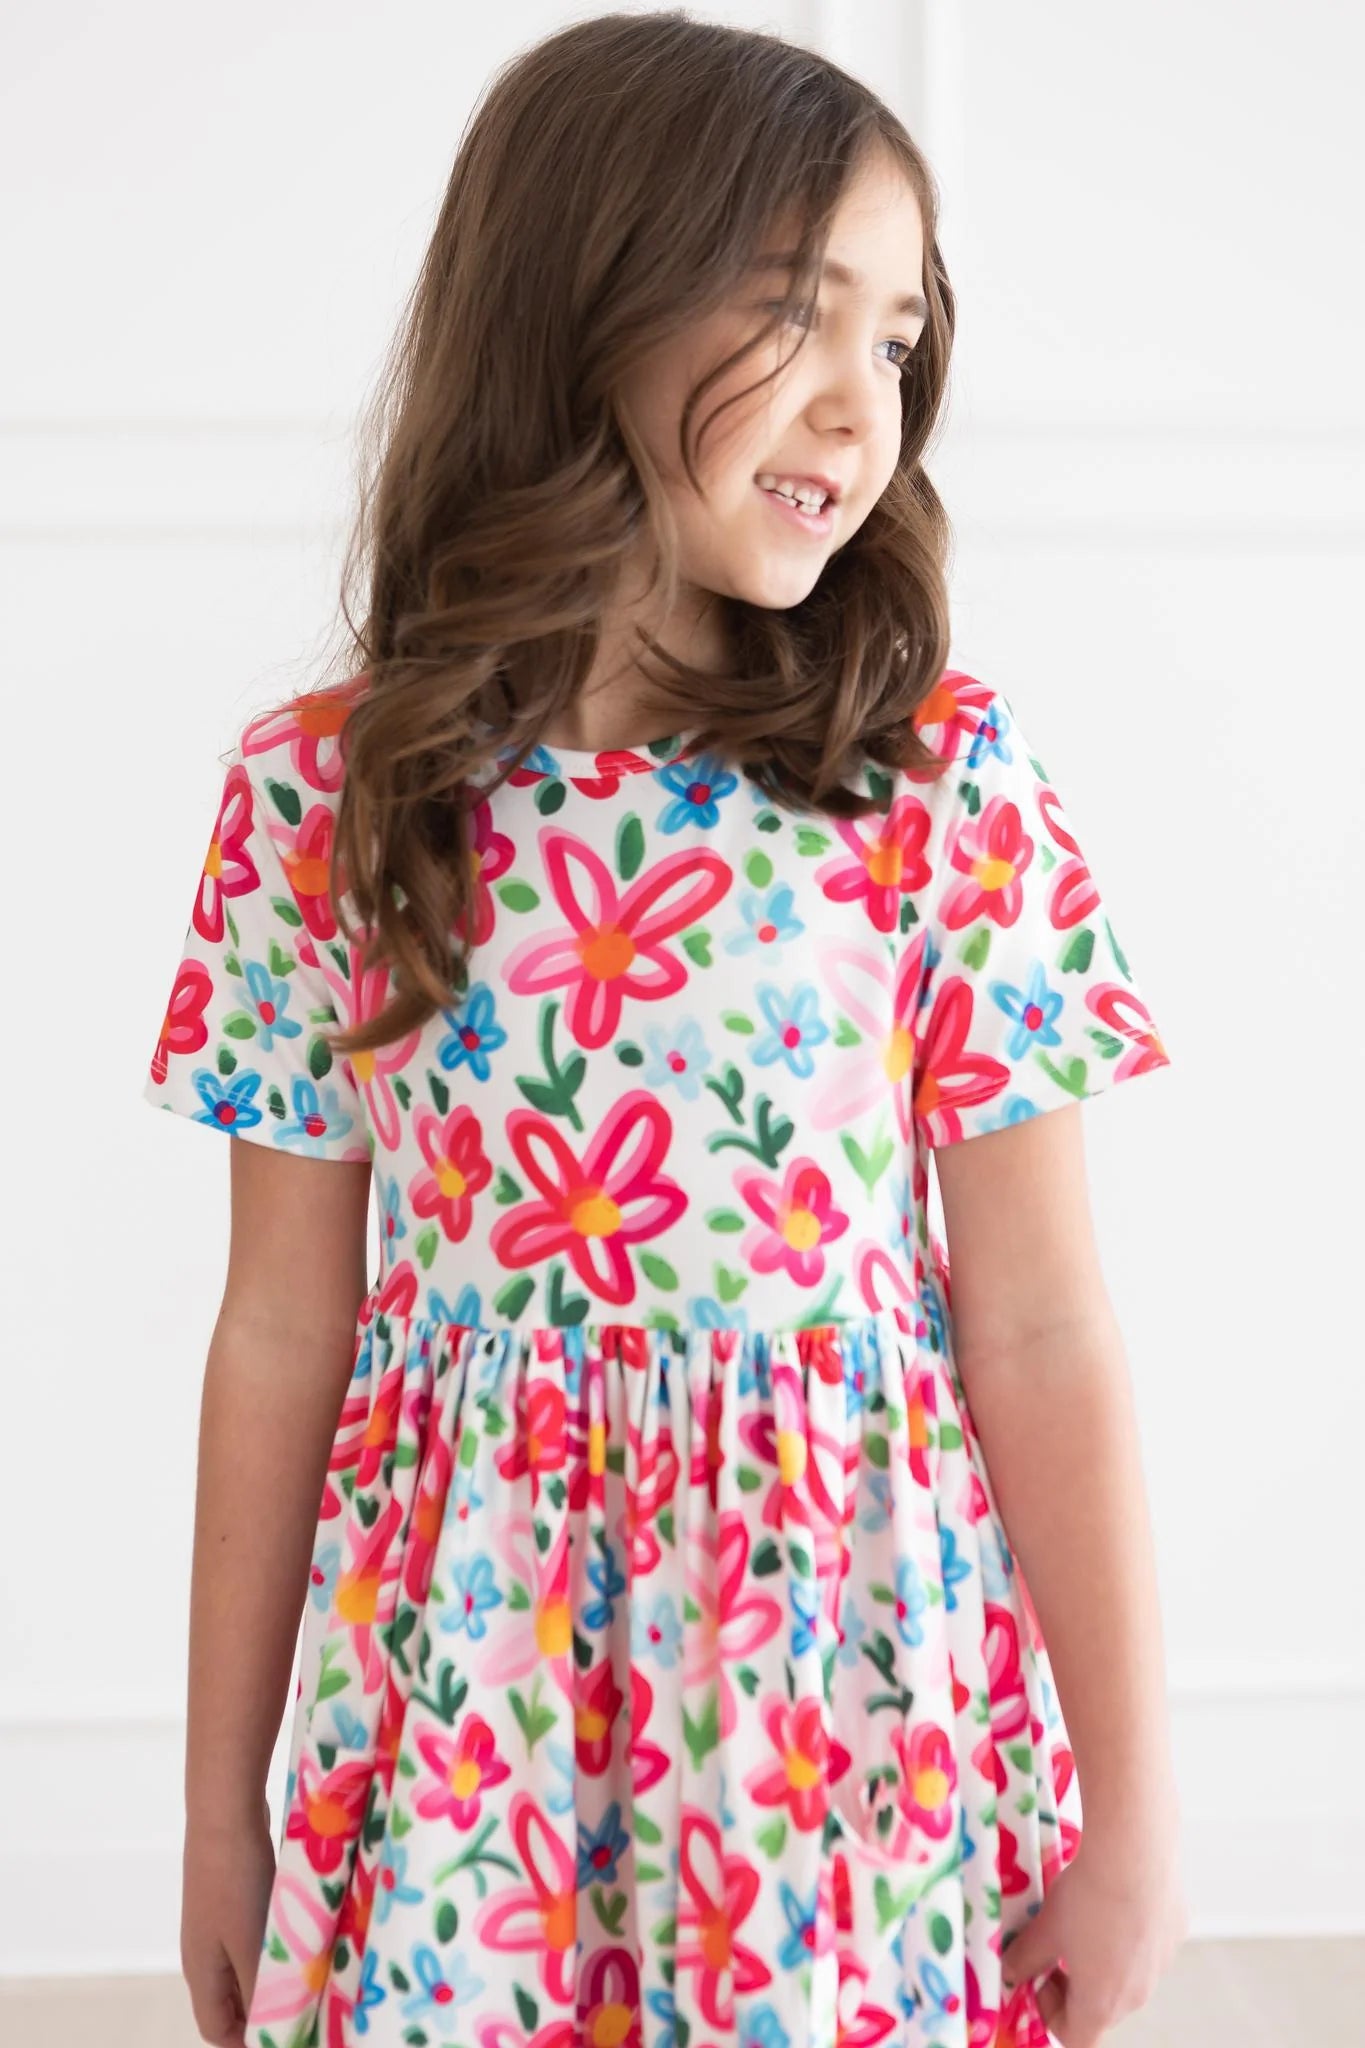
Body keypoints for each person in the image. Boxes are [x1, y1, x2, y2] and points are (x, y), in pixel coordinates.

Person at [141, 13, 1188, 2048]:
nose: (860, 404)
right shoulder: (327, 797)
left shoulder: (931, 782)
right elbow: (278, 1326)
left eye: (895, 337)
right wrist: (212, 1812)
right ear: (581, 304)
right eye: (794, 312)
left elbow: (1043, 1319)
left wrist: (1135, 1811)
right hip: (466, 1699)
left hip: (836, 1699)